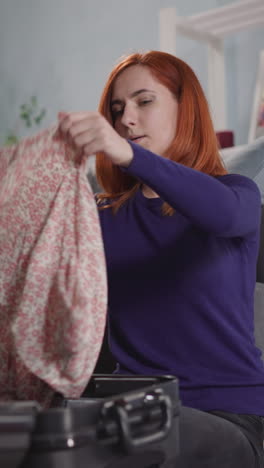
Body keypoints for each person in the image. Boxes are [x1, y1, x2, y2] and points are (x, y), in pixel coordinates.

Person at [58, 51, 264, 467]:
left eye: (144, 101)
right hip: (123, 406)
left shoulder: (238, 194)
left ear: (184, 110)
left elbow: (222, 215)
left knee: (123, 432)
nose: (126, 119)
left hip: (228, 417)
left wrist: (129, 155)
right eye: (117, 110)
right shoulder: (98, 218)